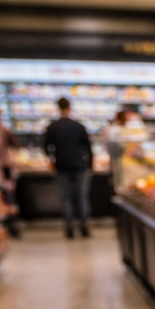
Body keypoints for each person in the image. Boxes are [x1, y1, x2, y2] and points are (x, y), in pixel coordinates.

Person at [43, 98, 93, 239]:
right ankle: (84, 227)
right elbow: (88, 147)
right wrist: (90, 165)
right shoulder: (78, 126)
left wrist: (52, 160)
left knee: (65, 198)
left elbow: (46, 147)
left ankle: (69, 228)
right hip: (79, 166)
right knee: (82, 197)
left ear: (58, 108)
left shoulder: (53, 127)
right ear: (70, 107)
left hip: (61, 166)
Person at [0, 111, 21, 239]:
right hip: (5, 167)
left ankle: (7, 224)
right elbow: (15, 145)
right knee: (9, 195)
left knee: (3, 196)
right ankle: (11, 225)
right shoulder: (4, 130)